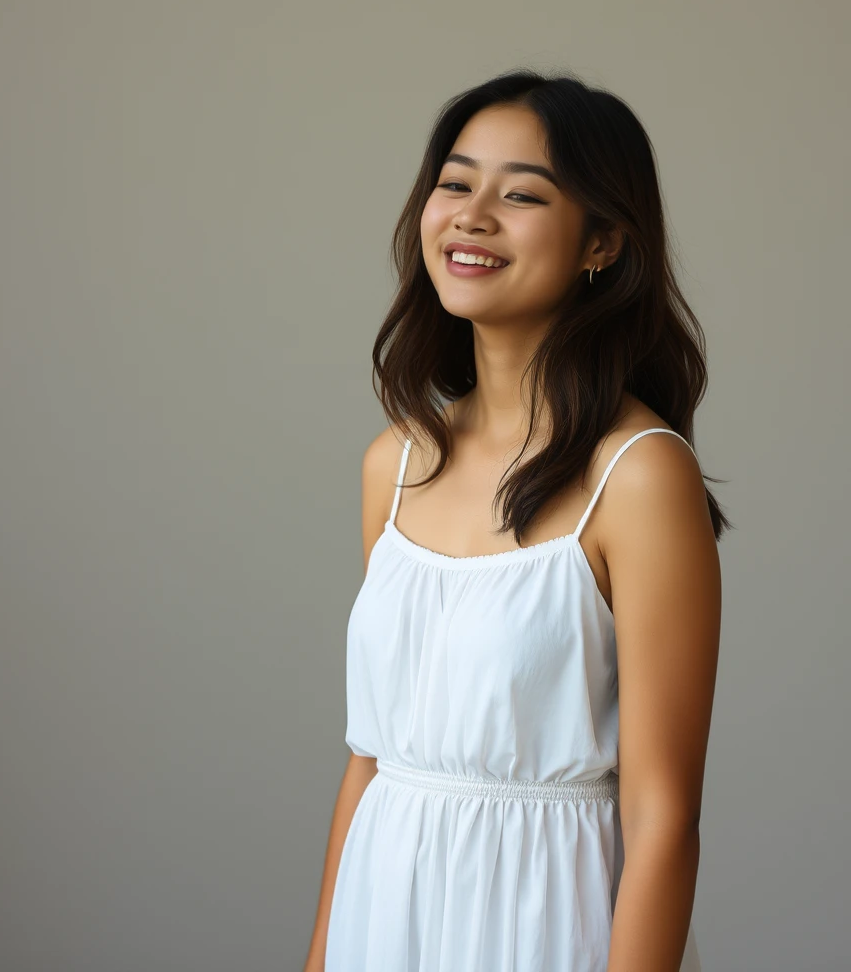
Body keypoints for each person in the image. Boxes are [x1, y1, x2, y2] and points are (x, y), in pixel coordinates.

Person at [304, 68, 726, 972]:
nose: (470, 214)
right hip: (385, 917)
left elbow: (664, 818)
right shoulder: (397, 463)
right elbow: (370, 762)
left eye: (521, 194)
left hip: (543, 924)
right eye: (454, 183)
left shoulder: (639, 476)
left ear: (602, 242)